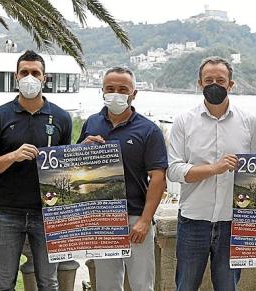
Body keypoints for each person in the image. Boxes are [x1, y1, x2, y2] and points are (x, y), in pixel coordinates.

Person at [0, 50, 72, 291]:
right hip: (6, 212)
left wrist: (85, 151)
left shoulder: (61, 117)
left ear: (44, 78)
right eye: (24, 72)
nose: (29, 77)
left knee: (49, 283)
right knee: (3, 284)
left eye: (35, 73)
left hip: (48, 214)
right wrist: (12, 156)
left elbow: (65, 166)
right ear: (16, 77)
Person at [167, 56, 256, 291]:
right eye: (208, 80)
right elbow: (174, 169)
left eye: (220, 80)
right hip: (193, 219)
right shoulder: (183, 121)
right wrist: (214, 169)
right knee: (186, 286)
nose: (214, 84)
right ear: (199, 83)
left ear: (231, 84)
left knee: (228, 287)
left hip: (232, 221)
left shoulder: (249, 121)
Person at [78, 67, 168, 291]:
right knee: (107, 286)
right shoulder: (91, 123)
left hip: (136, 218)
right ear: (102, 91)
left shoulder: (149, 130)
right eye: (110, 89)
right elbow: (76, 168)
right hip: (103, 219)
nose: (116, 93)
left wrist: (145, 220)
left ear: (134, 93)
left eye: (122, 89)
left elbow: (158, 178)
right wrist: (82, 148)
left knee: (141, 286)